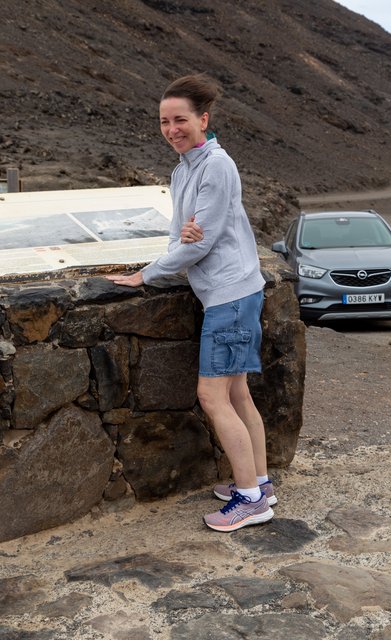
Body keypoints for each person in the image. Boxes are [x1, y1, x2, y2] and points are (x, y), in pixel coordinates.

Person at [106, 74, 277, 532]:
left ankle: (249, 501)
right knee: (237, 391)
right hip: (231, 290)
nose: (171, 128)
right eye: (164, 121)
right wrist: (186, 235)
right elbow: (184, 233)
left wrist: (145, 274)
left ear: (203, 119)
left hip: (229, 295)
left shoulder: (216, 166)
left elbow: (200, 242)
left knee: (212, 395)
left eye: (180, 119)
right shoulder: (185, 167)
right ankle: (258, 482)